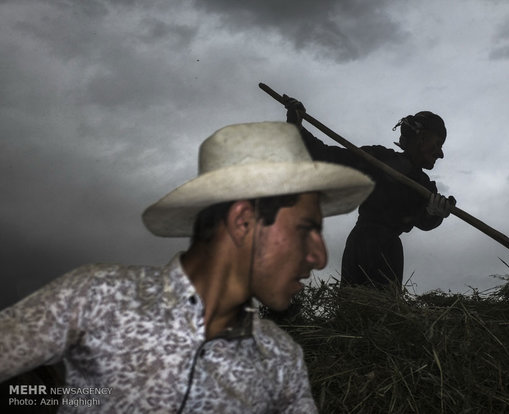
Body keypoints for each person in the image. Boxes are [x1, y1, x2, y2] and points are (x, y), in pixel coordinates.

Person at [0, 122, 374, 413]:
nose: (319, 257)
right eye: (304, 230)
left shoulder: (280, 358)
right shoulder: (100, 297)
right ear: (243, 221)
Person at [284, 96, 456, 289]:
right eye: (438, 143)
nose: (440, 153)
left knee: (383, 314)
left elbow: (423, 221)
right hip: (361, 244)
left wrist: (434, 213)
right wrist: (298, 128)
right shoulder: (378, 158)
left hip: (388, 251)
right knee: (355, 310)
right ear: (422, 137)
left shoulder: (425, 187)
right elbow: (326, 156)